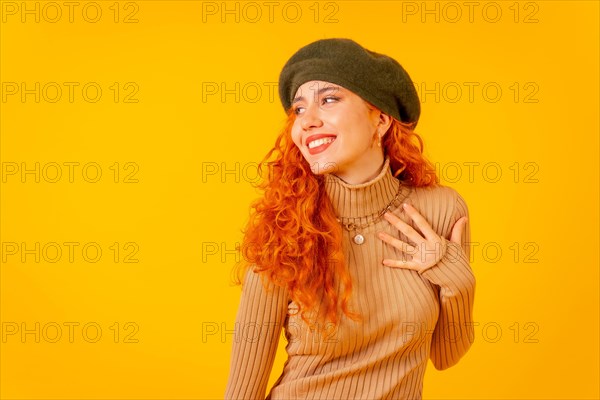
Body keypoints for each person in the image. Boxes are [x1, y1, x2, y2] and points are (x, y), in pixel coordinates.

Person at [224, 38, 476, 400]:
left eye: (328, 100)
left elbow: (447, 355)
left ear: (381, 119)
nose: (307, 121)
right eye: (298, 109)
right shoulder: (286, 227)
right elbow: (242, 390)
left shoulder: (440, 211)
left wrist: (453, 274)